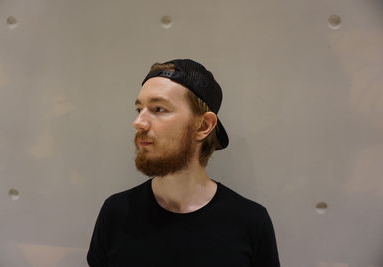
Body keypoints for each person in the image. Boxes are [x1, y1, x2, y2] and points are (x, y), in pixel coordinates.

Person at [87, 59, 280, 267]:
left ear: (203, 125)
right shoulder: (117, 213)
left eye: (159, 109)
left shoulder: (250, 222)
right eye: (139, 109)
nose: (139, 122)